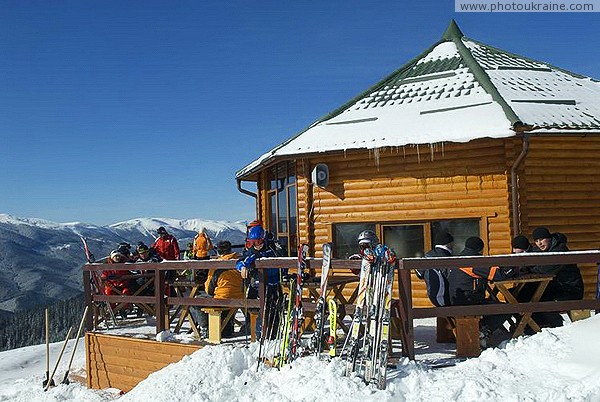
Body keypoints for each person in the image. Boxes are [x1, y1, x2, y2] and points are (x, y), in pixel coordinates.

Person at [446, 236, 514, 346]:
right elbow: (499, 275)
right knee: (507, 308)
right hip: (469, 302)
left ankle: (483, 329)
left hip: (459, 300)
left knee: (494, 304)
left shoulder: (461, 258)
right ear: (480, 249)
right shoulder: (473, 261)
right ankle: (481, 332)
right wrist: (513, 267)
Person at [519, 227, 584, 328]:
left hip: (570, 289)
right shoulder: (545, 250)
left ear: (549, 238)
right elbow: (534, 260)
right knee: (522, 293)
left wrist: (531, 269)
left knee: (537, 299)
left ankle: (554, 326)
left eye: (541, 239)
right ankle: (530, 325)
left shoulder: (559, 250)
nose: (539, 243)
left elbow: (546, 270)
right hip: (556, 287)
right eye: (536, 241)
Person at [236, 223, 285, 340]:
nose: (254, 245)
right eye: (252, 242)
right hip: (261, 286)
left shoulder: (272, 249)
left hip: (275, 284)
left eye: (257, 242)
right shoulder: (252, 252)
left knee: (276, 311)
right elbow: (241, 260)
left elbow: (282, 260)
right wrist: (242, 267)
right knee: (263, 311)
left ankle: (275, 335)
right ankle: (261, 336)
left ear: (263, 239)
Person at [203, 240, 243, 337]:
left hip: (222, 298)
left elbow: (209, 289)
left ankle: (206, 328)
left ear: (218, 251)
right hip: (240, 297)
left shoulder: (217, 265)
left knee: (195, 302)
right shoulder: (240, 262)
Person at [416, 231, 454, 307]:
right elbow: (450, 277)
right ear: (449, 243)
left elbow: (419, 274)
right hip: (446, 297)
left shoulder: (428, 255)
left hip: (432, 296)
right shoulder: (447, 257)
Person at [101, 249, 138, 318]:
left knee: (126, 292)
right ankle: (113, 310)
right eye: (115, 256)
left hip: (123, 285)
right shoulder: (107, 266)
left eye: (118, 256)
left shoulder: (124, 265)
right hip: (111, 286)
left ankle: (123, 309)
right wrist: (110, 285)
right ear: (112, 258)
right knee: (109, 293)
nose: (117, 258)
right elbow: (104, 277)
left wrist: (122, 284)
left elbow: (128, 276)